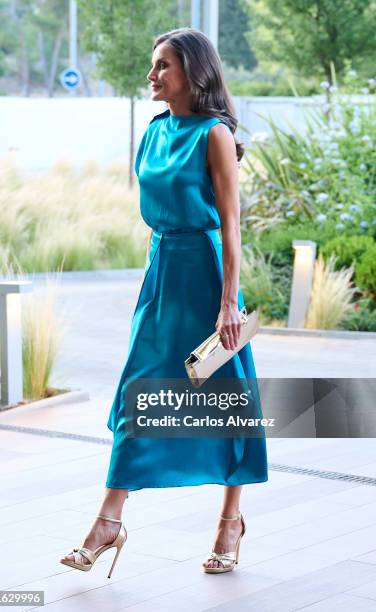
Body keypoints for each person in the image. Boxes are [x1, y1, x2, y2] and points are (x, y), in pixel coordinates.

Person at [60, 27, 268, 577]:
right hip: (161, 274)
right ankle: (109, 520)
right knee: (138, 392)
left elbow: (231, 225)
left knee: (227, 396)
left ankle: (231, 520)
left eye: (163, 67)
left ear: (193, 74)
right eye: (153, 66)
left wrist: (228, 304)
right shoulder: (153, 132)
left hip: (205, 275)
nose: (152, 75)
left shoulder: (214, 135)